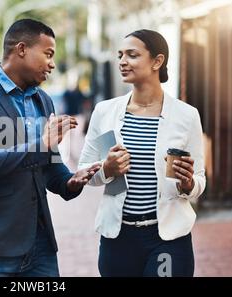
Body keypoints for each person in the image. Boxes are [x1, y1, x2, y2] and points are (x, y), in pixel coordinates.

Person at [0, 19, 101, 277]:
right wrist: (42, 144)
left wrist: (70, 181)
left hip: (39, 244)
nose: (52, 64)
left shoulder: (43, 100)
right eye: (48, 54)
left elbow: (49, 167)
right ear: (21, 49)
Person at [78, 29, 206, 277]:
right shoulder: (105, 112)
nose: (123, 62)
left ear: (157, 61)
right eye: (120, 55)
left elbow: (200, 180)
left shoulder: (186, 115)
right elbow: (82, 171)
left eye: (132, 55)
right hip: (118, 237)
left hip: (167, 239)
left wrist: (188, 184)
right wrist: (106, 169)